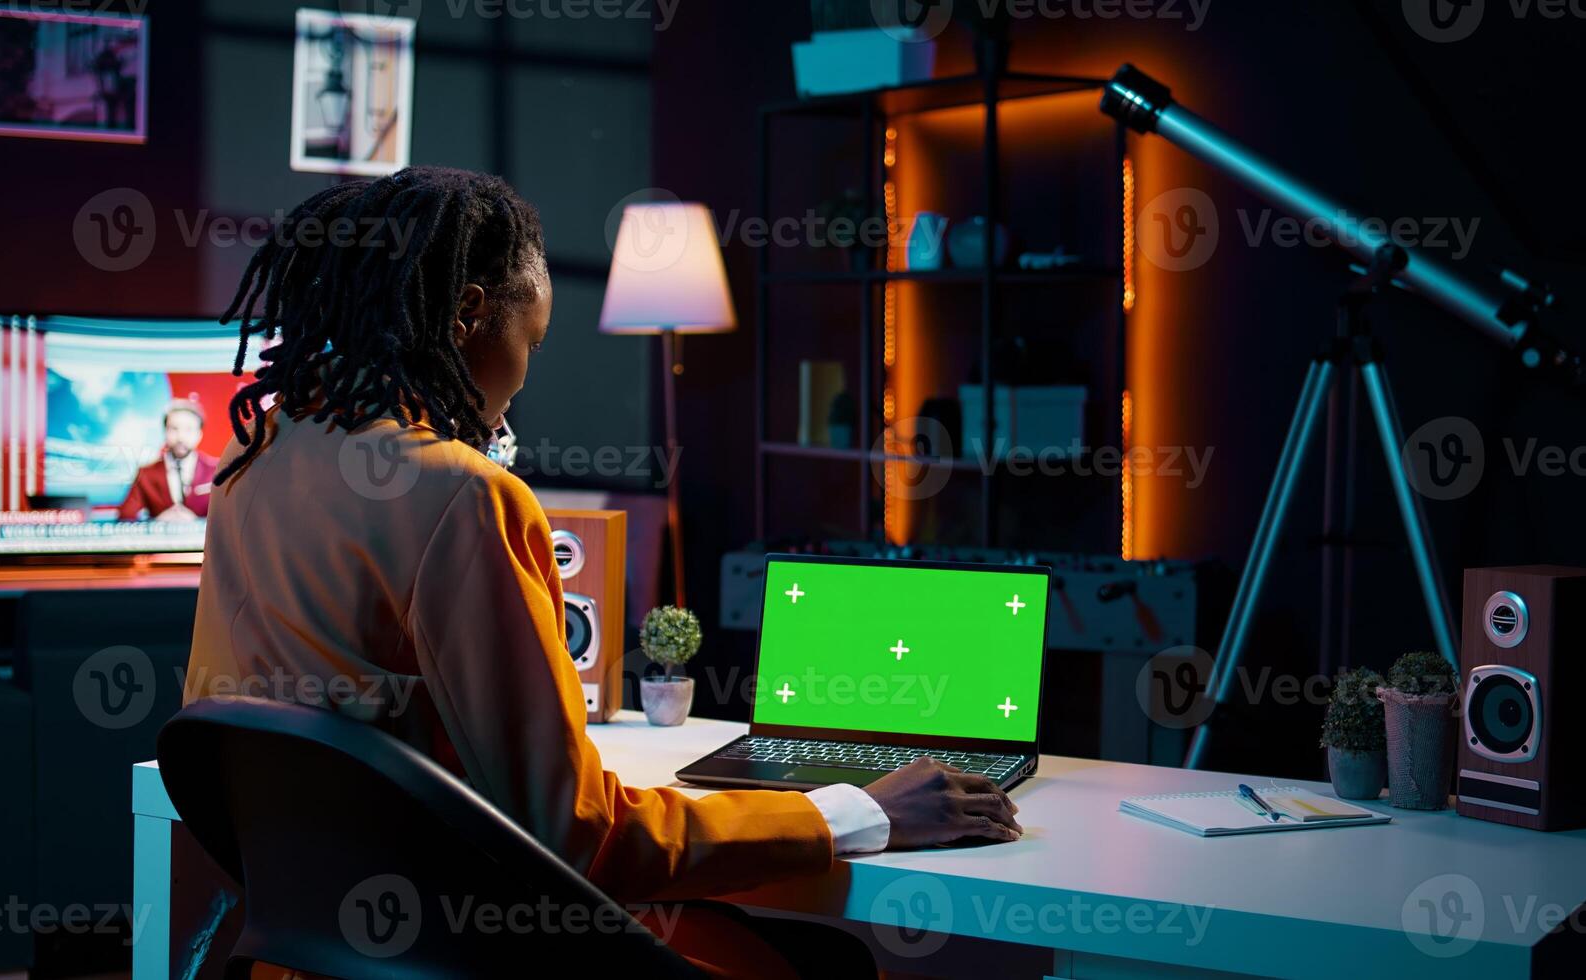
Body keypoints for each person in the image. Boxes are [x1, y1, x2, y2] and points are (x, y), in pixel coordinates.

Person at [182, 167, 1022, 977]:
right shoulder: (466, 496)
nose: (524, 374)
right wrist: (858, 809)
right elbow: (579, 835)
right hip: (481, 953)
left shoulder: (252, 455)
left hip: (329, 954)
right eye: (532, 340)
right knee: (823, 958)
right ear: (471, 315)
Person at [119, 399, 217, 521]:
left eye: (189, 429)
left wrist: (197, 522)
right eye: (174, 428)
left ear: (199, 434)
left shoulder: (216, 470)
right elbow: (125, 517)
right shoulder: (146, 473)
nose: (181, 437)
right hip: (160, 538)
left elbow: (230, 516)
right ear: (164, 432)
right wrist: (158, 522)